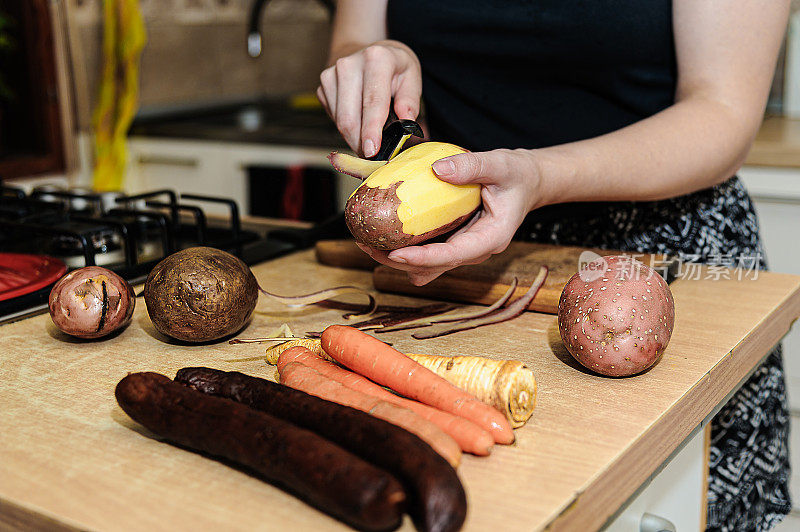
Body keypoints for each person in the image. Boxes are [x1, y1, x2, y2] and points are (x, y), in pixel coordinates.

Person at [317, 2, 792, 530]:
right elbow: (354, 39)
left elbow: (724, 111)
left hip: (658, 250)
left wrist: (541, 176)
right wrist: (374, 68)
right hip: (468, 247)